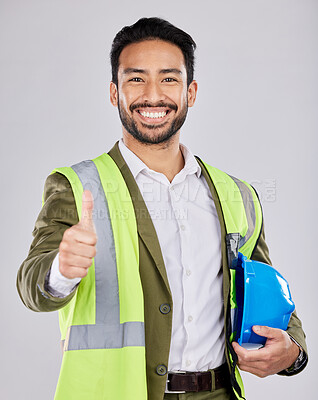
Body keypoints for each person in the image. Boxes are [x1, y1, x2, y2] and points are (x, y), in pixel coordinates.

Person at [17, 17, 308, 400]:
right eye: (136, 79)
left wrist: (294, 352)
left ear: (191, 91)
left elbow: (267, 289)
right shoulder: (77, 187)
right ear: (113, 92)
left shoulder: (237, 194)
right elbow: (32, 287)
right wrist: (61, 269)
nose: (153, 95)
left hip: (219, 391)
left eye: (169, 79)